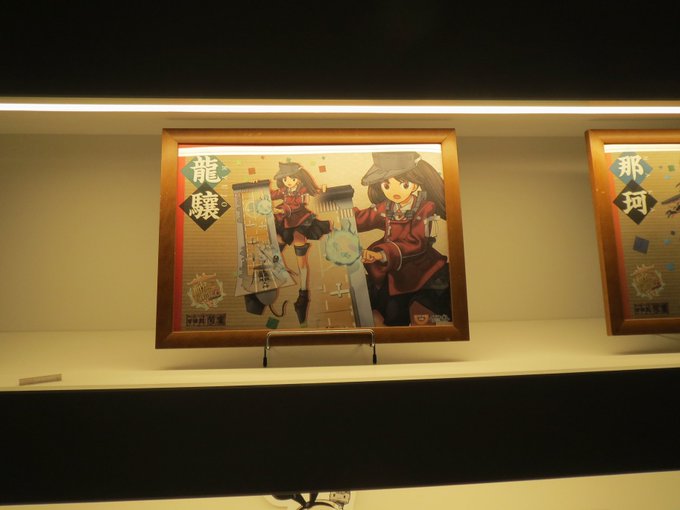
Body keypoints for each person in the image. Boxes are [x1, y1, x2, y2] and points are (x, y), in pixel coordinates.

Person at [353, 151, 451, 326]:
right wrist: (341, 215)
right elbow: (363, 219)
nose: (395, 191)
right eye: (387, 185)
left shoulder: (425, 207)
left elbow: (417, 242)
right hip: (393, 269)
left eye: (404, 184)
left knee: (423, 313)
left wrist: (381, 254)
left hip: (420, 268)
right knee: (389, 313)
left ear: (415, 184)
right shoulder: (386, 207)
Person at [270, 162, 330, 324]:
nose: (288, 181)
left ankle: (303, 294)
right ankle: (279, 271)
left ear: (299, 178)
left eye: (292, 178)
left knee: (300, 256)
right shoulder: (284, 190)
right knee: (276, 246)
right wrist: (261, 188)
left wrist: (322, 189)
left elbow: (301, 201)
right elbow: (272, 194)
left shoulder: (302, 190)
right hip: (284, 222)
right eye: (285, 179)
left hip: (300, 222)